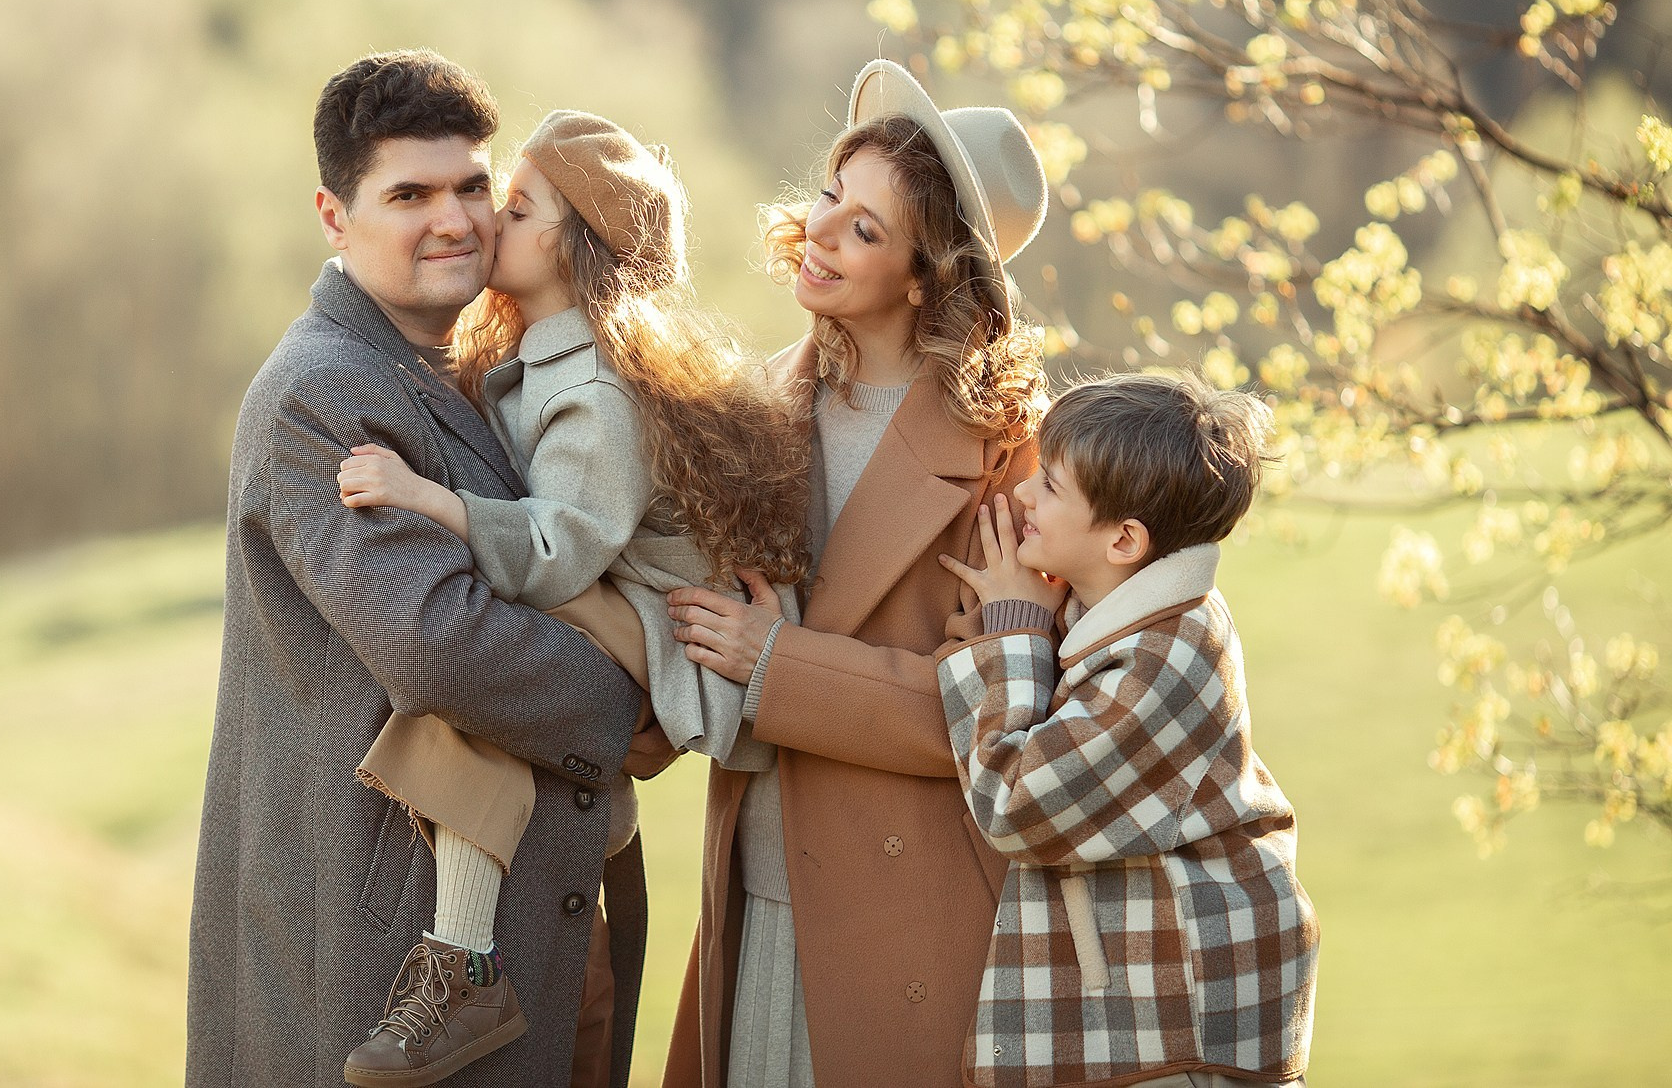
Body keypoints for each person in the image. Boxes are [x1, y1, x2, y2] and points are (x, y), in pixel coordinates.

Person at [185, 51, 648, 1088]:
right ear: (332, 214)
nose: (455, 219)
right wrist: (642, 693)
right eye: (409, 193)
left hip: (534, 936)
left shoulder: (473, 369)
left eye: (472, 185)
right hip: (374, 967)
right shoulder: (322, 393)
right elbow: (441, 645)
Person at [332, 109, 808, 1087]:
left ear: (570, 241)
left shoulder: (589, 385)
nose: (482, 222)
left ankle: (463, 963)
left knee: (476, 669)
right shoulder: (541, 353)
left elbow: (553, 553)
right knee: (481, 659)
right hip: (623, 607)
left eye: (512, 204)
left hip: (667, 637)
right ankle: (597, 830)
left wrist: (424, 495)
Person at [664, 59, 1049, 1088]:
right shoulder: (752, 409)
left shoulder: (1010, 456)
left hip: (907, 910)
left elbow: (984, 714)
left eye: (866, 228)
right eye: (830, 195)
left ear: (923, 275)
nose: (819, 230)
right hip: (756, 882)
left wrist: (777, 664)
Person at [934, 372, 1319, 1088]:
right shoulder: (1129, 617)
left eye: (1049, 486)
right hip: (1157, 1019)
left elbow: (1018, 805)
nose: (1022, 494)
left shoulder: (1174, 652)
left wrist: (1015, 634)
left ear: (1123, 540)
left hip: (1183, 1039)